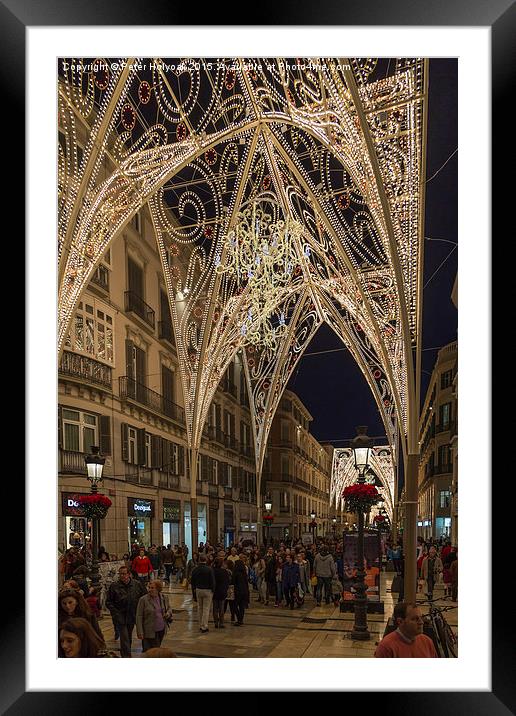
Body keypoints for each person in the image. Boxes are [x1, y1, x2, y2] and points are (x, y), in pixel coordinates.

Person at [105, 565, 147, 657]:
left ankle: (127, 654)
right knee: (124, 638)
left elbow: (144, 598)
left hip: (133, 615)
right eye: (120, 574)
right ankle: (126, 657)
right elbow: (108, 602)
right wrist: (115, 613)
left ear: (129, 574)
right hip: (120, 616)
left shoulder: (137, 584)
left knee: (128, 637)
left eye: (124, 574)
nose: (122, 576)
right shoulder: (114, 586)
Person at [136, 579, 173, 652]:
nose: (150, 590)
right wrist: (140, 632)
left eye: (152, 588)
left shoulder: (163, 598)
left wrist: (168, 613)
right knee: (149, 652)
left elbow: (169, 608)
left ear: (158, 589)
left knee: (156, 650)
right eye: (149, 587)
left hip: (161, 629)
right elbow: (139, 616)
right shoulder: (143, 600)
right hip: (148, 631)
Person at [191, 553, 215, 633]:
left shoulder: (195, 569)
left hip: (198, 589)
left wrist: (193, 592)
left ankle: (200, 624)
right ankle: (204, 626)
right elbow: (212, 581)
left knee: (200, 608)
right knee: (206, 608)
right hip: (207, 590)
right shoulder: (209, 569)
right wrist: (213, 590)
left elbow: (192, 581)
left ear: (199, 560)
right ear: (206, 560)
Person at [212, 557, 230, 628]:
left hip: (214, 591)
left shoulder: (212, 571)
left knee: (215, 608)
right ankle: (221, 623)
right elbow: (227, 582)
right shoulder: (224, 571)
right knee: (221, 608)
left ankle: (216, 622)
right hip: (222, 591)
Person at [232, 558, 250, 626]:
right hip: (244, 591)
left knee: (234, 606)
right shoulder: (244, 573)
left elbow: (233, 582)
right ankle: (241, 620)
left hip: (237, 592)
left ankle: (239, 618)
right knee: (242, 606)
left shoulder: (236, 573)